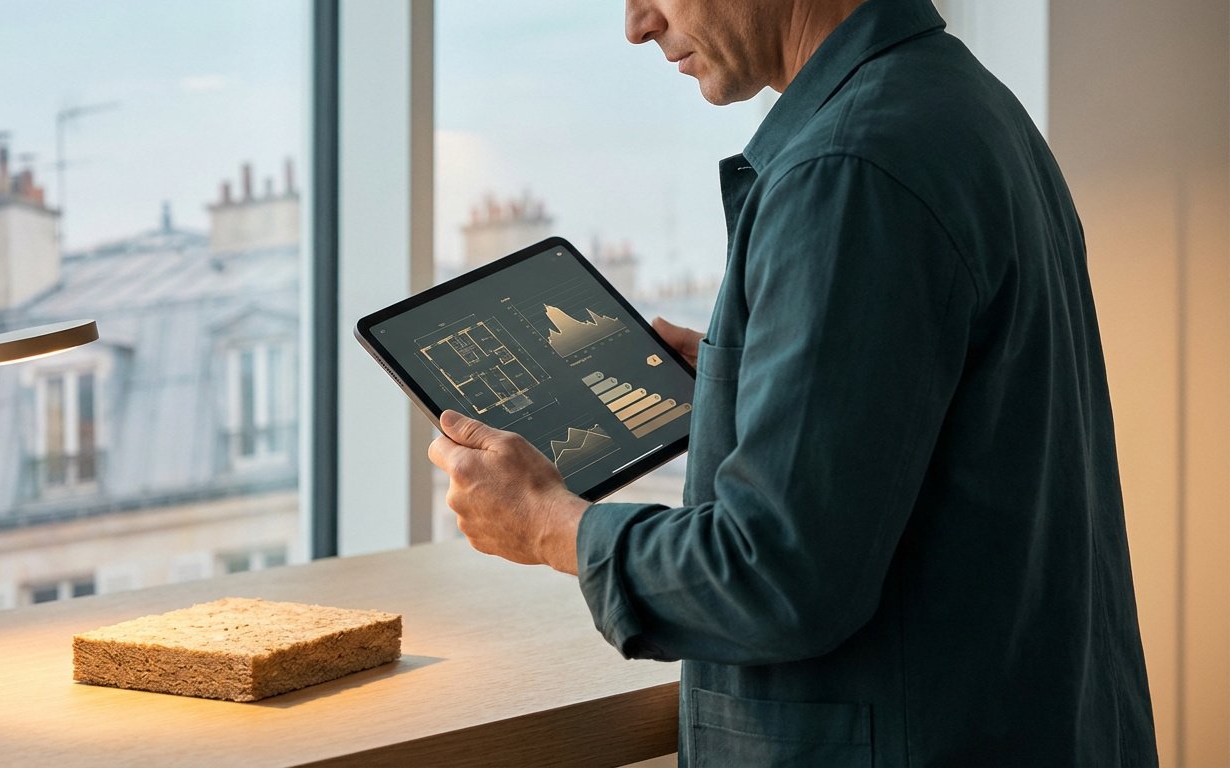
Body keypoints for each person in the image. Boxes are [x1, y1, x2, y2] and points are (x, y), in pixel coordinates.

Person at [428, 0, 1159, 764]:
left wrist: (550, 524)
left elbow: (775, 571)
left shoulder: (847, 170)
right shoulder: (961, 103)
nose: (637, 24)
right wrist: (743, 376)